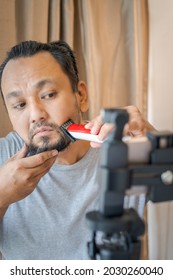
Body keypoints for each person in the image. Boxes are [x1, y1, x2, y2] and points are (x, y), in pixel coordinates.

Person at [0, 40, 154, 260]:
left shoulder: (126, 153)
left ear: (81, 96)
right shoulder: (2, 156)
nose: (35, 115)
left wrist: (155, 143)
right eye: (20, 105)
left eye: (48, 95)